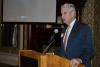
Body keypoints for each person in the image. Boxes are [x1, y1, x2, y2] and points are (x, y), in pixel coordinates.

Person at [55, 3, 94, 67]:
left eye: (65, 13)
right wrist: (53, 54)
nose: (62, 16)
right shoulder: (64, 30)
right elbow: (64, 51)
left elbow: (90, 50)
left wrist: (79, 60)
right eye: (61, 14)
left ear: (72, 14)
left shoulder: (84, 28)